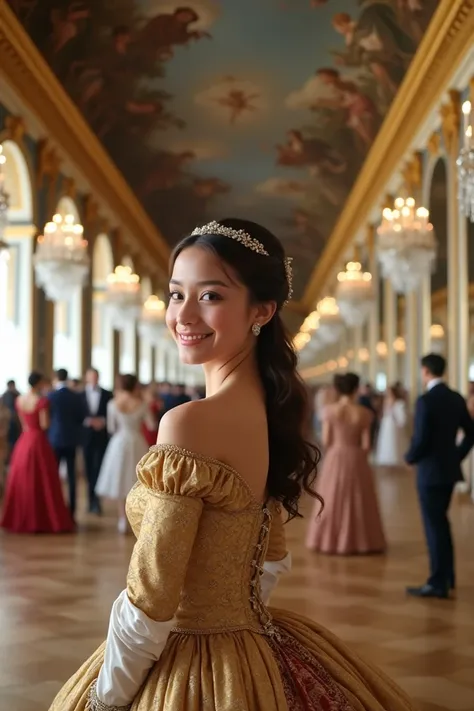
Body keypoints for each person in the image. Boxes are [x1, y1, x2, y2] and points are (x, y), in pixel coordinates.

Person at [50, 219, 415, 711]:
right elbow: (272, 558)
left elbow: (152, 598)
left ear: (261, 311)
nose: (184, 314)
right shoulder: (268, 411)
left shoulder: (188, 424)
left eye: (211, 296)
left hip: (197, 661)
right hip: (255, 641)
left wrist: (106, 700)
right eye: (177, 294)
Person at [405, 353, 474, 599]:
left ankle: (437, 582)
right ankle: (448, 576)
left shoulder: (426, 401)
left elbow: (421, 438)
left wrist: (410, 457)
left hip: (429, 473)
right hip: (448, 472)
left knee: (434, 528)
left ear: (425, 371)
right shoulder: (456, 398)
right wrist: (456, 456)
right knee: (442, 524)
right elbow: (471, 432)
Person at [306, 372, 386, 555]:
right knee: (358, 499)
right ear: (356, 389)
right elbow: (366, 445)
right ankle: (359, 541)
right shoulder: (364, 413)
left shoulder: (329, 411)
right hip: (357, 458)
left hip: (335, 456)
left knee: (331, 497)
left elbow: (326, 440)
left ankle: (330, 540)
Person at [1, 371, 74, 534]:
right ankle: (44, 520)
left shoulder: (19, 400)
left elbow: (23, 423)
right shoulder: (41, 401)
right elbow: (44, 424)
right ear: (39, 383)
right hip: (38, 441)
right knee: (44, 480)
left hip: (24, 440)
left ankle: (21, 519)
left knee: (23, 480)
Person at [95, 374, 150, 533]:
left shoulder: (112, 404)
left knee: (120, 478)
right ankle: (136, 517)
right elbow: (151, 424)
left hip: (119, 441)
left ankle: (121, 519)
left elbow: (112, 428)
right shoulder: (141, 404)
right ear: (135, 386)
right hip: (136, 440)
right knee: (136, 480)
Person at [48, 368, 85, 518]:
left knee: (54, 476)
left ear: (56, 378)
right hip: (71, 439)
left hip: (55, 439)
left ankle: (54, 508)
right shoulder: (75, 396)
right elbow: (82, 416)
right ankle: (72, 510)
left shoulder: (50, 396)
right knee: (71, 476)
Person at [81, 368, 113, 514]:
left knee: (99, 468)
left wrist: (102, 421)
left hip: (102, 436)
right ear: (86, 378)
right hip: (86, 436)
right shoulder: (80, 394)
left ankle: (97, 502)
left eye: (95, 376)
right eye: (91, 376)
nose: (93, 379)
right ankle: (90, 500)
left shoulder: (107, 394)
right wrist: (89, 421)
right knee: (88, 469)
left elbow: (111, 414)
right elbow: (78, 415)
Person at [375, 384, 408, 467]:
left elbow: (402, 421)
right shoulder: (386, 404)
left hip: (395, 431)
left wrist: (392, 409)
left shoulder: (399, 404)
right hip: (386, 430)